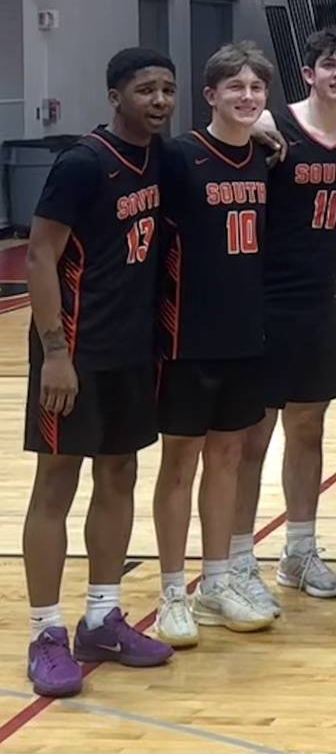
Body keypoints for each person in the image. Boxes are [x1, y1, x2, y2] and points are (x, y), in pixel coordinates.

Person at [22, 49, 177, 696]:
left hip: (130, 351)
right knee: (56, 482)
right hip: (74, 353)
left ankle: (102, 619)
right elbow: (38, 256)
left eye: (167, 89)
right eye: (145, 90)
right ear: (115, 97)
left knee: (119, 474)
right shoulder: (83, 164)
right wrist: (55, 353)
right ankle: (46, 632)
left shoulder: (162, 158)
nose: (159, 100)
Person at [232, 30, 336, 614]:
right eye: (327, 65)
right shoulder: (272, 124)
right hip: (263, 299)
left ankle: (300, 550)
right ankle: (237, 559)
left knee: (308, 430)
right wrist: (249, 124)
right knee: (253, 438)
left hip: (319, 299)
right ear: (308, 74)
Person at [152, 43, 277, 646]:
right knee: (179, 464)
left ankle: (217, 581)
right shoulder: (179, 157)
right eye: (235, 87)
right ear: (210, 95)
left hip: (244, 334)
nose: (247, 97)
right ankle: (171, 592)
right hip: (186, 338)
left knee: (227, 459)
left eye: (256, 88)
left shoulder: (264, 157)